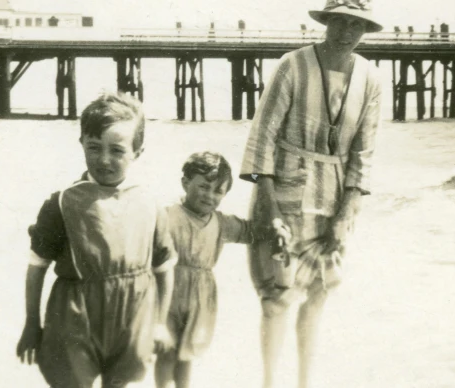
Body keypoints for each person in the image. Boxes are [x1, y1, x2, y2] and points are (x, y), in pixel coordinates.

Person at [240, 0, 383, 388]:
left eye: (356, 24)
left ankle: (305, 382)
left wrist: (347, 212)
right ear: (327, 21)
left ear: (365, 29)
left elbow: (364, 154)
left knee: (318, 295)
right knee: (275, 297)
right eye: (339, 21)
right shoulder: (293, 64)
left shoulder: (371, 79)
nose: (346, 31)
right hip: (283, 193)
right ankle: (268, 382)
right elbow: (263, 135)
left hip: (334, 199)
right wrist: (265, 204)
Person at [16, 92, 176, 388]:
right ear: (82, 145)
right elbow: (36, 266)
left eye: (117, 150)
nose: (104, 160)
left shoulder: (149, 204)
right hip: (75, 315)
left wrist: (158, 324)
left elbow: (164, 268)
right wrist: (31, 323)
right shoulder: (62, 202)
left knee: (120, 381)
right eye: (94, 147)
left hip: (132, 313)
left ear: (137, 153)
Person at [155, 151, 288, 388]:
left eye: (218, 191)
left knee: (187, 353)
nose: (210, 195)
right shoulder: (167, 215)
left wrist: (276, 229)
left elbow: (251, 232)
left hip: (201, 297)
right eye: (204, 186)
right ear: (185, 182)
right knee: (167, 351)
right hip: (168, 294)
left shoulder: (221, 222)